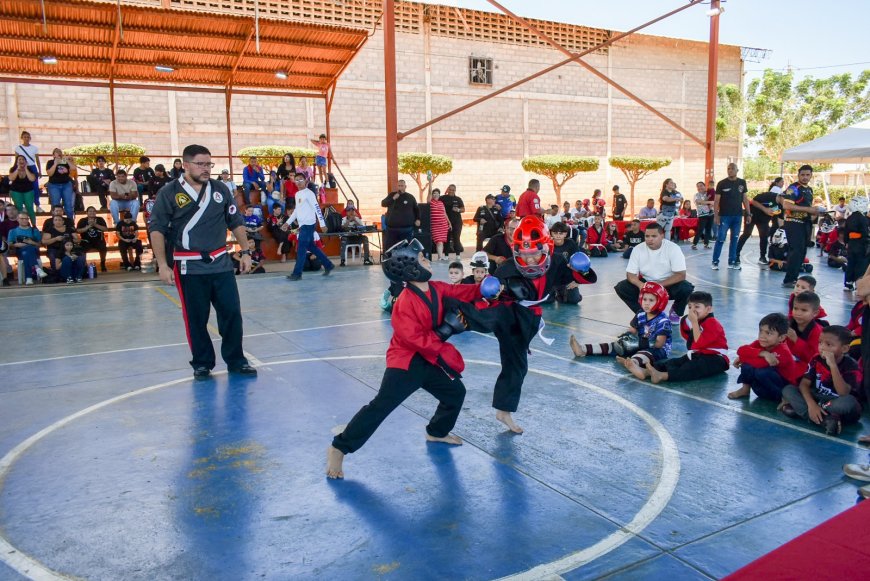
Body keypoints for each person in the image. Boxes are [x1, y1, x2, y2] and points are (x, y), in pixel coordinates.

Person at [326, 238, 482, 479]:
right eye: (422, 259)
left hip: (429, 359)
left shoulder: (437, 288)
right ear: (410, 268)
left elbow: (461, 291)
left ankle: (436, 431)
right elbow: (412, 338)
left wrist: (488, 287)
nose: (427, 261)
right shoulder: (405, 302)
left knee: (455, 393)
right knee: (380, 407)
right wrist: (444, 333)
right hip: (406, 362)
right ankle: (339, 447)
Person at [446, 217, 592, 433]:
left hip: (528, 319)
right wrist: (496, 291)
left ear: (546, 247)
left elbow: (579, 278)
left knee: (517, 366)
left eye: (534, 253)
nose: (530, 259)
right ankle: (448, 316)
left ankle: (503, 411)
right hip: (508, 311)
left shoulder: (557, 261)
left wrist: (583, 269)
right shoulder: (507, 267)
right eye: (523, 254)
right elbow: (491, 296)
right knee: (490, 316)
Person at [149, 144, 257, 380]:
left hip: (221, 263)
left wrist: (246, 251)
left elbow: (235, 221)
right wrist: (163, 264)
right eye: (200, 164)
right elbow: (156, 229)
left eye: (209, 164)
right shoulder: (169, 192)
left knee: (231, 314)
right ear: (185, 165)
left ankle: (236, 360)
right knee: (196, 318)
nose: (206, 169)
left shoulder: (220, 189)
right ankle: (202, 363)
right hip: (189, 266)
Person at [781, 325, 863, 435]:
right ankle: (826, 421)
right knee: (788, 389)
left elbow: (843, 393)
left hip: (836, 402)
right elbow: (804, 384)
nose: (822, 347)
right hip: (819, 398)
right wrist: (811, 405)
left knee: (849, 402)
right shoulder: (816, 359)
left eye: (829, 344)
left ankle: (808, 413)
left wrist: (833, 365)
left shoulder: (851, 365)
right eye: (820, 343)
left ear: (844, 349)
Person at [645, 291, 730, 384]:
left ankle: (662, 376)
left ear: (708, 309)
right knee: (675, 362)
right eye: (690, 307)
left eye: (697, 307)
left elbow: (698, 344)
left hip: (717, 359)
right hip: (698, 355)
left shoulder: (713, 324)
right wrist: (689, 322)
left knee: (691, 368)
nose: (692, 310)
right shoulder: (696, 321)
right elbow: (688, 336)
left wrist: (694, 323)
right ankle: (646, 372)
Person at [614, 223, 695, 318]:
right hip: (646, 284)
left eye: (654, 236)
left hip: (667, 284)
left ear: (662, 236)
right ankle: (644, 313)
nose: (649, 239)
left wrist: (658, 285)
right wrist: (641, 285)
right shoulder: (638, 249)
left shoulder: (673, 248)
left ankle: (676, 312)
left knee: (686, 288)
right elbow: (630, 274)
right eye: (647, 236)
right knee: (621, 287)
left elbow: (681, 275)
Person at [728, 313, 802, 401]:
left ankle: (785, 399)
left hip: (780, 390)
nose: (762, 336)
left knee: (761, 371)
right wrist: (763, 353)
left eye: (769, 333)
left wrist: (742, 358)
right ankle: (745, 390)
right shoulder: (760, 344)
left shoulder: (784, 352)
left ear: (781, 337)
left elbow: (760, 364)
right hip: (762, 389)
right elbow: (741, 350)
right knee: (747, 366)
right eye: (761, 331)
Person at [614, 282, 673, 380]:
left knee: (644, 353)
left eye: (651, 300)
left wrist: (639, 343)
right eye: (644, 299)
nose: (646, 303)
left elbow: (659, 344)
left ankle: (633, 364)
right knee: (619, 344)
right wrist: (627, 335)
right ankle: (584, 349)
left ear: (660, 302)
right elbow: (633, 329)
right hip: (641, 344)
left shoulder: (663, 320)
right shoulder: (641, 313)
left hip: (659, 350)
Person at [777, 165, 823, 287]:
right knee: (796, 251)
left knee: (802, 251)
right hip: (793, 222)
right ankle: (788, 280)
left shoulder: (809, 190)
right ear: (798, 175)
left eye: (808, 175)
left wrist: (813, 213)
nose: (805, 177)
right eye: (802, 175)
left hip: (805, 223)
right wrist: (809, 209)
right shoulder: (794, 188)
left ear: (811, 176)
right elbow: (786, 205)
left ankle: (794, 278)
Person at [284, 173, 334, 281]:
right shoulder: (297, 194)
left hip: (308, 225)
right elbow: (297, 211)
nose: (298, 182)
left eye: (301, 179)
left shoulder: (309, 193)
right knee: (311, 247)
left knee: (301, 248)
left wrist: (322, 224)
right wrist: (287, 222)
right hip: (303, 225)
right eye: (296, 180)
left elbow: (317, 208)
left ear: (305, 181)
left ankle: (297, 274)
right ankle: (328, 265)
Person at [711, 163, 751, 271]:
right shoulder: (721, 183)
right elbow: (716, 201)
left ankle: (732, 262)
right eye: (728, 169)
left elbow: (745, 199)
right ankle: (715, 261)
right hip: (724, 216)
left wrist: (748, 213)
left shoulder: (742, 183)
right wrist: (716, 215)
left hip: (737, 217)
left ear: (737, 170)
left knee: (734, 239)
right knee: (720, 239)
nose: (730, 170)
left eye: (732, 169)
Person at [736, 178, 781, 265]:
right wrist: (765, 209)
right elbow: (753, 201)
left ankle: (762, 257)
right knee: (747, 233)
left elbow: (779, 218)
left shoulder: (782, 205)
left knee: (764, 236)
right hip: (752, 214)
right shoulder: (768, 195)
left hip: (764, 219)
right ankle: (736, 254)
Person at [787, 291, 823, 369]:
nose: (798, 313)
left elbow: (814, 358)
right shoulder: (787, 324)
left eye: (804, 310)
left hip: (806, 370)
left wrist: (796, 340)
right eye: (795, 308)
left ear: (815, 313)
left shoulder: (819, 332)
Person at [381, 179, 420, 250]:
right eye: (399, 186)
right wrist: (393, 198)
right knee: (391, 248)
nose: (400, 187)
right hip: (392, 229)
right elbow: (383, 203)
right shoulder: (392, 195)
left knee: (406, 248)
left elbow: (416, 209)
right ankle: (390, 260)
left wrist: (418, 219)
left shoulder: (410, 197)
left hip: (406, 229)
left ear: (405, 186)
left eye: (402, 186)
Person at [7, 213, 45, 284]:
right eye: (22, 219)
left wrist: (31, 242)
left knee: (28, 251)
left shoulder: (34, 231)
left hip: (34, 251)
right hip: (20, 251)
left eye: (26, 219)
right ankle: (37, 268)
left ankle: (29, 278)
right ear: (18, 219)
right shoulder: (13, 231)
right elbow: (10, 244)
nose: (24, 220)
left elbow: (39, 244)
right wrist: (16, 245)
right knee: (26, 253)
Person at [843, 196, 869, 291]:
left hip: (851, 244)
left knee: (851, 263)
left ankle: (848, 283)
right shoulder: (863, 218)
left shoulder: (849, 217)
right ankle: (858, 284)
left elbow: (846, 232)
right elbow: (866, 232)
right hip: (861, 244)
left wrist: (846, 242)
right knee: (860, 265)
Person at [45, 148, 77, 222]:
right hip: (54, 185)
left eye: (60, 152)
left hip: (66, 184)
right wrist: (55, 163)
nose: (59, 153)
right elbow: (50, 173)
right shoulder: (50, 162)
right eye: (57, 152)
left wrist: (68, 160)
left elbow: (73, 168)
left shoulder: (64, 162)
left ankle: (70, 223)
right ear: (53, 155)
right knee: (55, 205)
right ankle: (55, 222)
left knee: (68, 205)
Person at [14, 131, 42, 212]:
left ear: (30, 138)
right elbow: (17, 160)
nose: (26, 138)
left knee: (35, 187)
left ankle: (37, 205)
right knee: (23, 186)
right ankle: (25, 206)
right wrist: (16, 169)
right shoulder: (18, 148)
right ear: (22, 138)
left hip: (32, 167)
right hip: (22, 168)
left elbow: (37, 160)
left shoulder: (34, 148)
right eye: (24, 137)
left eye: (28, 137)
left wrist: (39, 171)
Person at [76, 206, 108, 272]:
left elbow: (105, 229)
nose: (92, 212)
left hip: (99, 240)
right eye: (90, 211)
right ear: (87, 213)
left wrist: (95, 224)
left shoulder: (100, 219)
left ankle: (103, 264)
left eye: (93, 211)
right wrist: (88, 227)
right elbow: (78, 231)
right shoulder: (82, 220)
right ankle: (84, 265)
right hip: (86, 240)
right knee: (81, 249)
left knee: (103, 247)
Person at [8, 155, 37, 222]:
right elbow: (11, 178)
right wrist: (18, 169)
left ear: (25, 161)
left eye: (23, 159)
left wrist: (26, 169)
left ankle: (34, 225)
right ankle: (20, 224)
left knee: (30, 208)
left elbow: (32, 179)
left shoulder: (29, 169)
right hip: (16, 191)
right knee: (18, 208)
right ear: (16, 162)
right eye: (19, 160)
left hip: (28, 190)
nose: (21, 161)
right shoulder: (13, 169)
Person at [441, 184, 465, 259]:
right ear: (448, 189)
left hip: (457, 221)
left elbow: (463, 209)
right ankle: (446, 255)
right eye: (450, 189)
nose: (451, 191)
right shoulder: (442, 198)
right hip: (446, 221)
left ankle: (458, 255)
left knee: (456, 238)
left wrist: (458, 210)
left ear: (455, 190)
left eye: (453, 190)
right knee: (447, 238)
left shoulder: (458, 199)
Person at [428, 187, 450, 261]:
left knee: (441, 242)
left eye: (437, 193)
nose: (435, 195)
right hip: (435, 225)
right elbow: (429, 193)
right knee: (439, 241)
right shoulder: (430, 202)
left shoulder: (441, 203)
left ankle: (439, 257)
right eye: (434, 193)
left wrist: (449, 223)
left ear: (439, 195)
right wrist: (430, 182)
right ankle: (440, 256)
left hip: (443, 225)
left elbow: (445, 213)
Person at [691, 181, 714, 250]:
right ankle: (694, 244)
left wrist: (711, 202)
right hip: (702, 215)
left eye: (701, 185)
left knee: (708, 230)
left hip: (711, 213)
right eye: (698, 186)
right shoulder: (696, 195)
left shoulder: (709, 193)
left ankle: (706, 244)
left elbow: (715, 200)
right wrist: (710, 202)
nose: (699, 187)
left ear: (705, 186)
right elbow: (699, 202)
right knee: (700, 229)